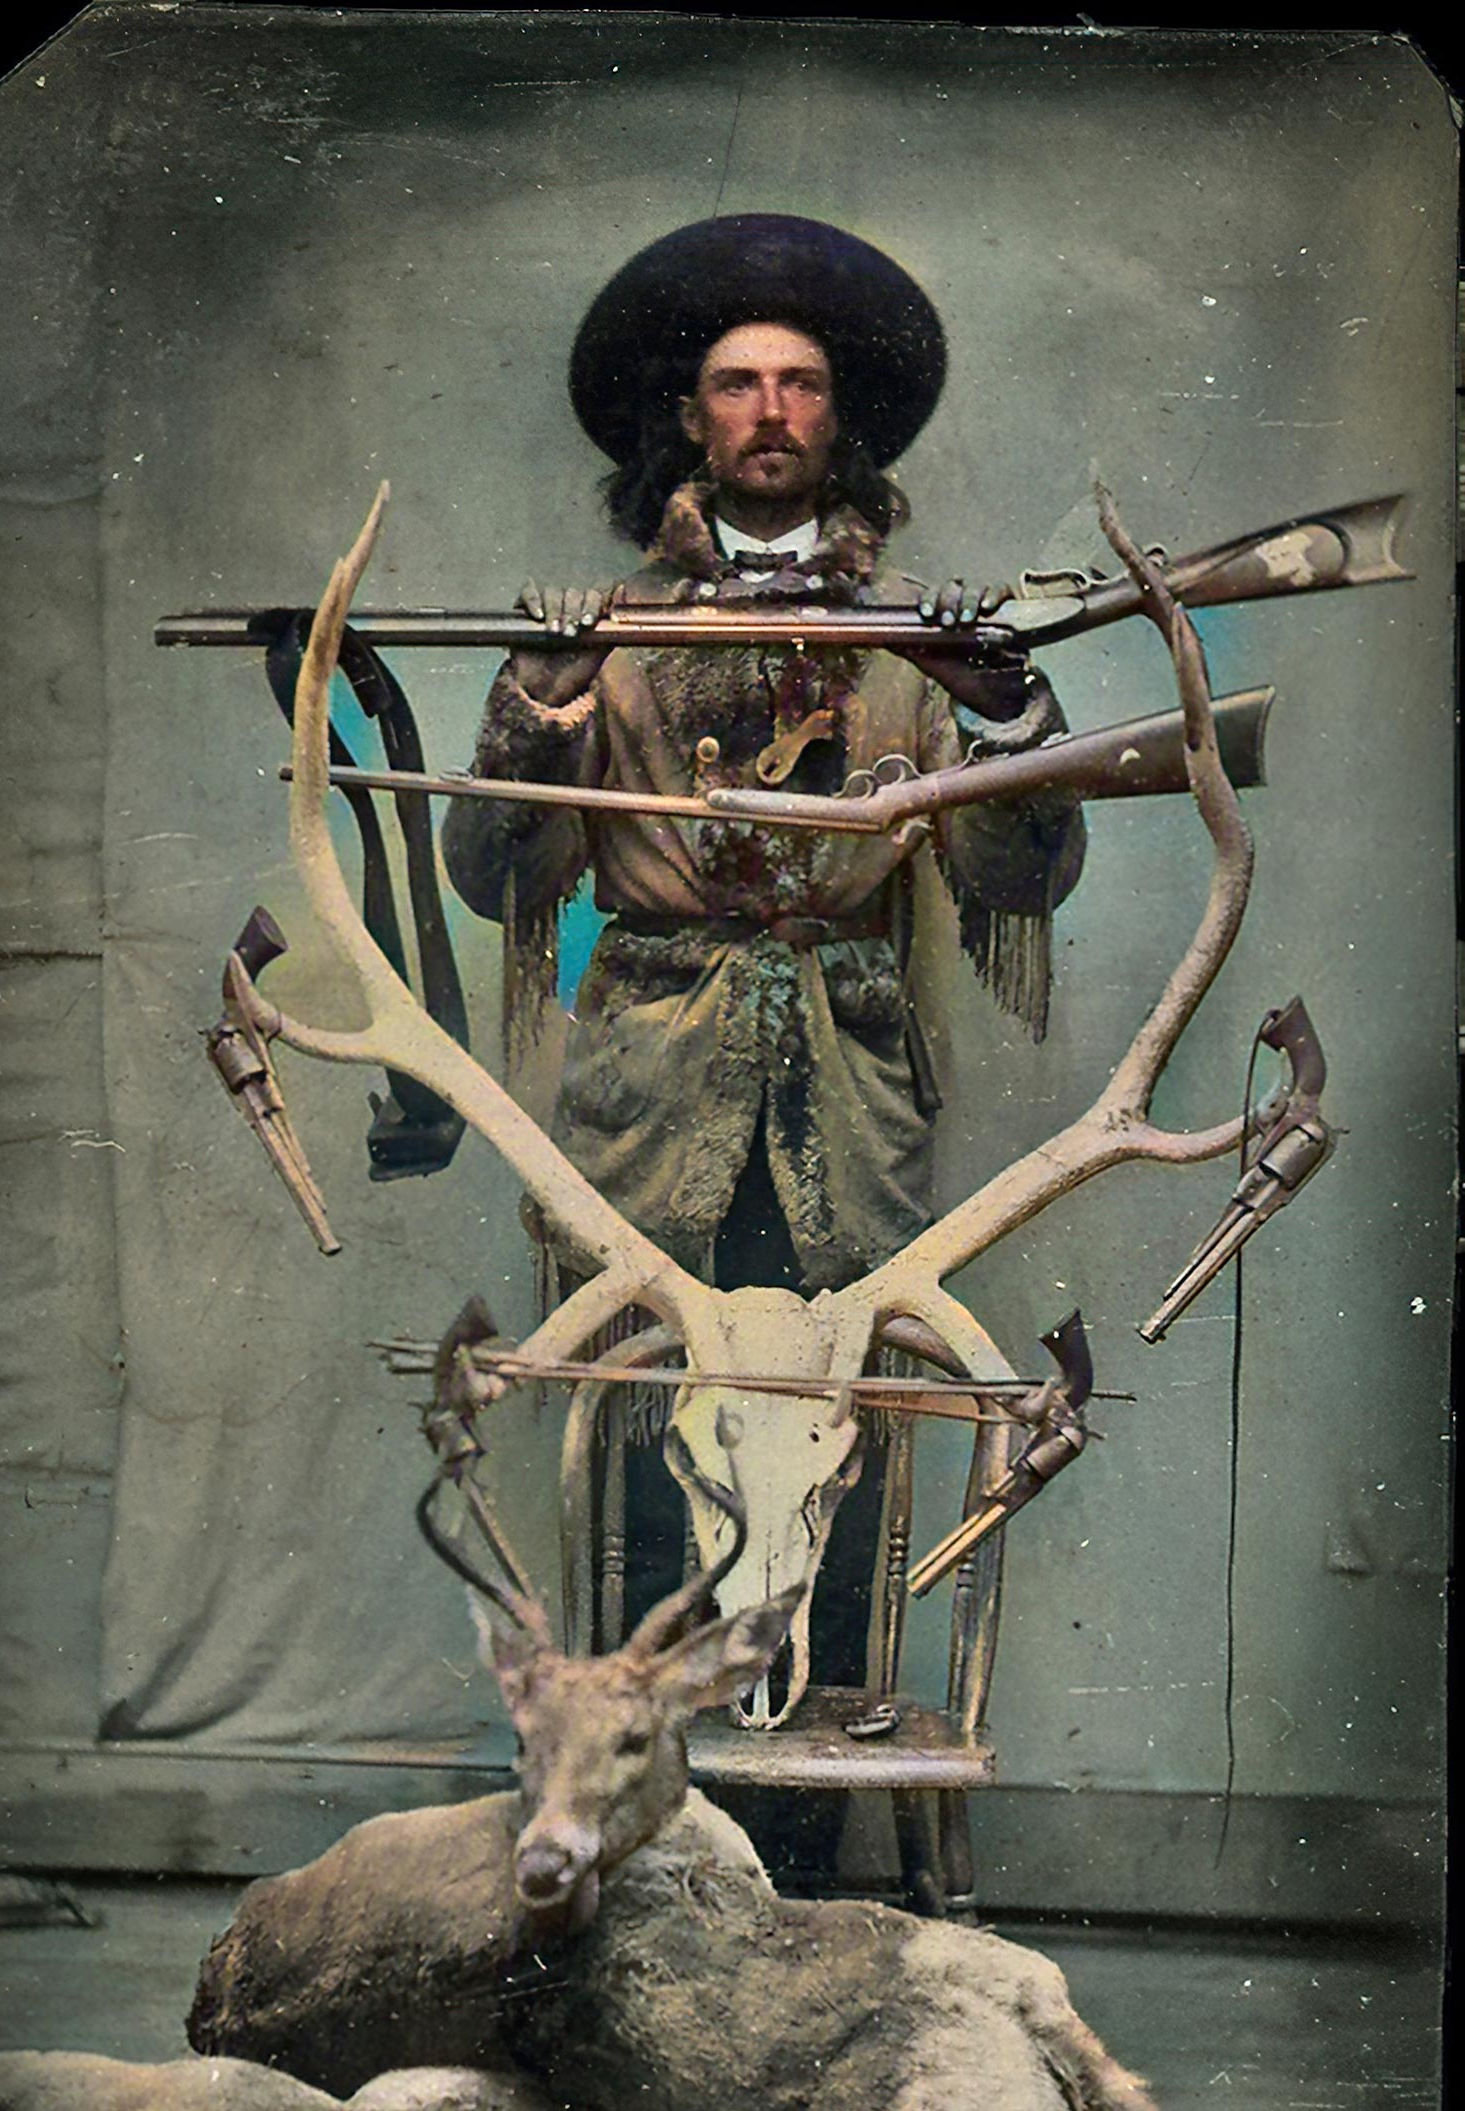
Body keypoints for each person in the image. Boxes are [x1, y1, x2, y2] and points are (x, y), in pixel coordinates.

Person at [444, 215, 1086, 1890]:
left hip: (852, 1105)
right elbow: (497, 877)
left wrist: (1005, 710)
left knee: (839, 1456)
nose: (772, 407)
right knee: (649, 1456)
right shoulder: (610, 628)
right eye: (737, 381)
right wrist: (541, 699)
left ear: (840, 415)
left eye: (801, 379)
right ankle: (647, 1857)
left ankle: (803, 1870)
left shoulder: (914, 642)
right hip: (652, 1103)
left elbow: (1021, 877)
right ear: (689, 417)